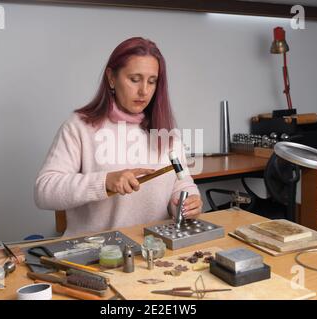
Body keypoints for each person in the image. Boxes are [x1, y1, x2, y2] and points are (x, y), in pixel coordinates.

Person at [34, 37, 202, 237]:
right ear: (111, 78)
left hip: (154, 249)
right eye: (134, 79)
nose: (144, 91)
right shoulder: (80, 126)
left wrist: (186, 202)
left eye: (152, 81)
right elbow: (44, 191)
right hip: (97, 253)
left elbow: (181, 181)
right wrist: (104, 182)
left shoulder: (164, 129)